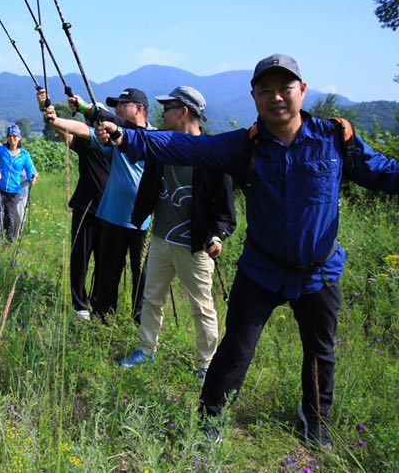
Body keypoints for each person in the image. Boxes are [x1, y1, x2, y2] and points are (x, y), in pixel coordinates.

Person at [98, 54, 399, 448]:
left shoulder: (335, 138)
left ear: (302, 91)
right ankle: (208, 422)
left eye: (285, 88)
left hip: (319, 271)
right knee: (236, 348)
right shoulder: (246, 146)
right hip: (262, 269)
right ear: (255, 96)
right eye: (266, 90)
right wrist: (128, 136)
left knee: (320, 351)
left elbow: (381, 172)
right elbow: (184, 147)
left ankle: (316, 419)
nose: (276, 97)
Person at [116, 86, 236, 379]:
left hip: (194, 247)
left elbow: (226, 210)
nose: (162, 113)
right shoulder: (164, 146)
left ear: (183, 112)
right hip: (161, 239)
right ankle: (146, 350)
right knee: (151, 297)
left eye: (168, 108)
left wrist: (218, 235)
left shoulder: (213, 154)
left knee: (202, 307)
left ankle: (206, 366)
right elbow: (137, 141)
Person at [42, 88, 152, 320]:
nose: (118, 109)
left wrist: (86, 108)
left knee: (141, 275)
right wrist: (55, 119)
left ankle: (142, 321)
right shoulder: (109, 139)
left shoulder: (153, 136)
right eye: (115, 106)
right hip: (111, 216)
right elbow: (81, 131)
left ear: (140, 109)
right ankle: (102, 316)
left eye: (123, 105)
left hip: (143, 221)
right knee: (108, 271)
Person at [37, 89, 111, 321]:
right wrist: (48, 113)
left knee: (104, 260)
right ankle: (80, 305)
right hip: (85, 206)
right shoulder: (87, 142)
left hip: (110, 210)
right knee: (80, 257)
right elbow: (67, 134)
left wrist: (55, 117)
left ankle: (100, 303)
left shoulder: (119, 142)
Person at [0, 124, 38, 242]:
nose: (12, 138)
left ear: (19, 137)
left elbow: (30, 171)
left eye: (14, 136)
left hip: (14, 191)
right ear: (7, 137)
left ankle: (9, 242)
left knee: (10, 218)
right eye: (9, 136)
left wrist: (32, 178)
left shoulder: (24, 155)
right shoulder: (2, 150)